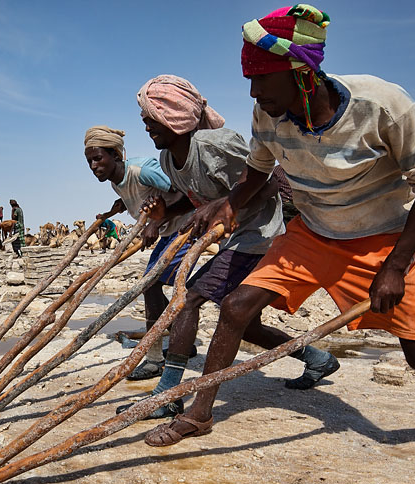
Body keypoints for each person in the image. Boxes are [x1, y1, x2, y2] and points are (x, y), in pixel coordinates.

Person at [144, 5, 415, 467]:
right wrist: (230, 203)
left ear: (303, 74)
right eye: (250, 81)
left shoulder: (382, 105)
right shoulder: (268, 115)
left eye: (262, 79)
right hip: (312, 234)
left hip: (381, 241)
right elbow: (259, 167)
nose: (254, 92)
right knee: (236, 307)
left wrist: (395, 266)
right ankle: (200, 413)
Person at [118, 74, 338, 419]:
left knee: (188, 299)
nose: (146, 124)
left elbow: (269, 180)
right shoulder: (167, 161)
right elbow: (197, 201)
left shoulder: (216, 144)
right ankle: (317, 358)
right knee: (247, 325)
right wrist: (163, 215)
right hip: (235, 240)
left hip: (261, 235)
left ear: (176, 115)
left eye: (152, 116)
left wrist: (228, 206)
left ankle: (169, 394)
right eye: (145, 117)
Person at [84, 125, 192, 380]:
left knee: (151, 285)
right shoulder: (116, 183)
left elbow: (184, 195)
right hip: (167, 234)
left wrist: (155, 222)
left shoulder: (142, 170)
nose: (93, 166)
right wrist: (117, 208)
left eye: (98, 158)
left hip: (185, 228)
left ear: (116, 156)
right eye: (89, 161)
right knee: (151, 286)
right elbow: (135, 196)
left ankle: (155, 360)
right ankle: (181, 339)